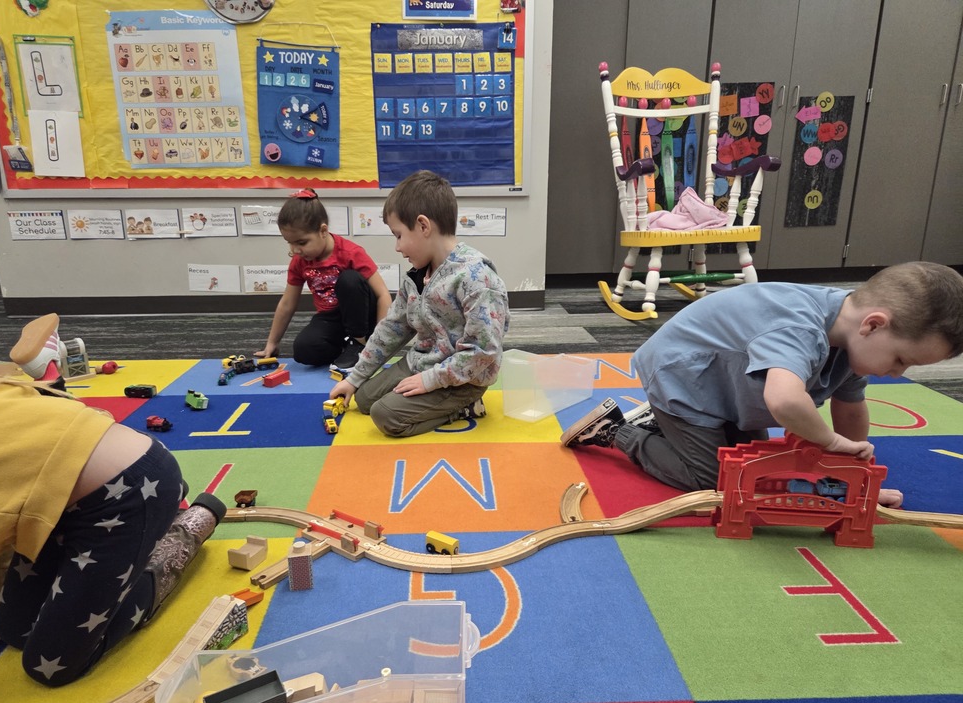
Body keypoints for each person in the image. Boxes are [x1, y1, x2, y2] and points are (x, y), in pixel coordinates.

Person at [0, 326, 227, 686]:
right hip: (55, 504)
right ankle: (50, 372)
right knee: (13, 628)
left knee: (51, 665)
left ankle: (185, 531)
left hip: (132, 490)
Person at [561, 261, 963, 507]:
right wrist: (831, 443)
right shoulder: (800, 329)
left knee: (753, 467)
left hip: (730, 387)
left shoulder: (856, 337)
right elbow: (785, 402)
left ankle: (662, 426)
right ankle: (619, 432)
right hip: (682, 380)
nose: (896, 374)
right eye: (900, 360)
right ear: (873, 324)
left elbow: (851, 409)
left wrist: (852, 478)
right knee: (711, 481)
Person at [329, 170, 510, 438]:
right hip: (422, 361)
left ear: (423, 226)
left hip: (463, 379)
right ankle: (407, 391)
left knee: (385, 416)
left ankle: (465, 407)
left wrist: (431, 380)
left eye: (399, 235)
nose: (397, 247)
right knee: (365, 399)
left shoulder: (476, 278)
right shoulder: (417, 275)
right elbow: (392, 328)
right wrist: (354, 378)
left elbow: (484, 351)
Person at [254, 189, 392, 369]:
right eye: (290, 242)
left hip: (363, 315)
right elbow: (287, 303)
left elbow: (383, 295)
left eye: (302, 243)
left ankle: (360, 342)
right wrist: (272, 342)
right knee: (303, 350)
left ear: (323, 231)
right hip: (331, 318)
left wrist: (378, 342)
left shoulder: (350, 253)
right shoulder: (299, 261)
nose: (295, 250)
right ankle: (348, 347)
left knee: (349, 279)